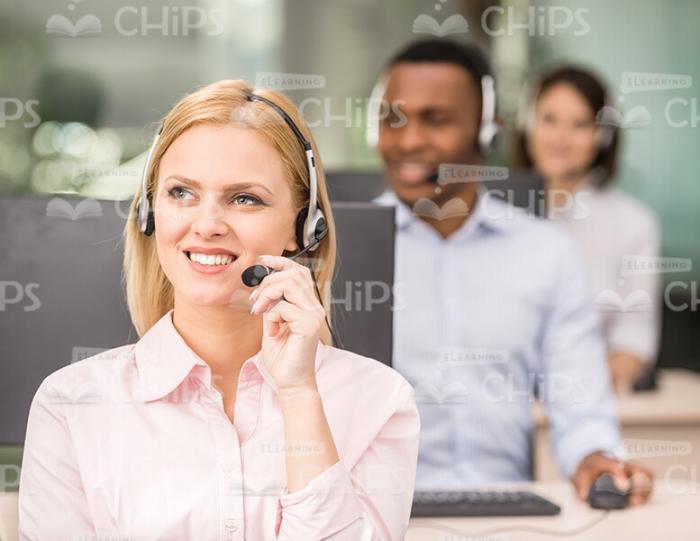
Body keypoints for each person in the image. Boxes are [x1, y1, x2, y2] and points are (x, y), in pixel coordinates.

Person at [19, 80, 419, 540]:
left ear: (303, 225)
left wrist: (299, 394)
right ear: (150, 212)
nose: (207, 225)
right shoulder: (71, 405)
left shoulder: (379, 401)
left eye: (244, 198)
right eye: (181, 193)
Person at [371, 39, 653, 505]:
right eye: (391, 119)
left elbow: (579, 401)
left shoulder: (547, 253)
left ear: (488, 133)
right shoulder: (332, 254)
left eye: (435, 119)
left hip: (508, 511)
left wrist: (595, 458)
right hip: (373, 517)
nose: (408, 141)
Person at [513, 66, 662, 393]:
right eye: (549, 120)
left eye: (580, 124)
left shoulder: (633, 222)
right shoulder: (494, 214)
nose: (560, 138)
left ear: (602, 136)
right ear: (527, 125)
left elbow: (635, 339)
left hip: (586, 400)